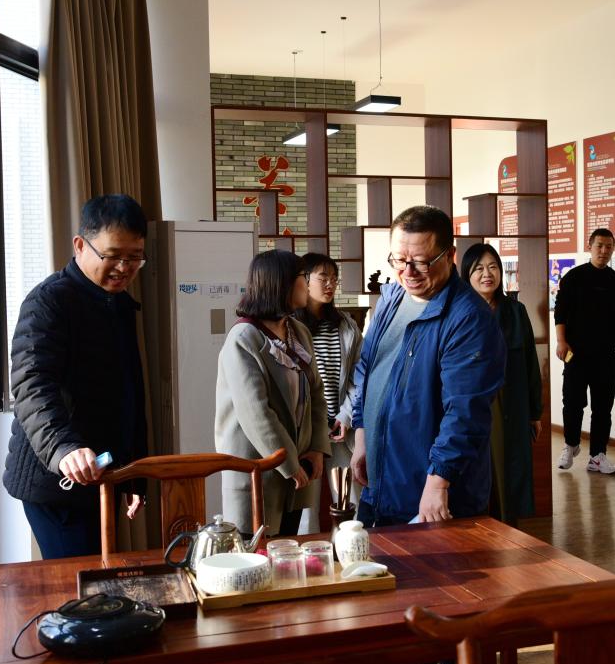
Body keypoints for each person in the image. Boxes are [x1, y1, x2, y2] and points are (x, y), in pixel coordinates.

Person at [4, 193, 148, 559]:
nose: (124, 268)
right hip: (58, 479)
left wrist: (134, 475)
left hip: (102, 473)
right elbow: (32, 384)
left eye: (134, 257)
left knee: (100, 575)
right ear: (80, 245)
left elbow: (129, 393)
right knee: (79, 580)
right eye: (113, 255)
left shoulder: (116, 302)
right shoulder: (48, 302)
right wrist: (63, 449)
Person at [350, 205, 505, 526]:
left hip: (430, 493)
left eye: (421, 262)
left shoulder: (468, 318)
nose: (408, 272)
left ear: (450, 255)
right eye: (399, 260)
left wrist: (439, 481)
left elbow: (465, 411)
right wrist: (362, 438)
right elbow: (367, 369)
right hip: (381, 483)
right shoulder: (392, 298)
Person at [215, 249, 330, 535]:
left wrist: (317, 448)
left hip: (298, 467)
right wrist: (288, 463)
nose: (307, 284)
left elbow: (316, 393)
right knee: (255, 550)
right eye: (303, 276)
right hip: (259, 471)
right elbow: (256, 413)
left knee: (287, 549)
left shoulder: (298, 331)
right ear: (282, 283)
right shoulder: (243, 338)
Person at [460, 243, 543, 525]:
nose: (487, 274)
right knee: (479, 470)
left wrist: (534, 412)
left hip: (513, 403)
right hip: (475, 404)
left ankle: (508, 528)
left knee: (511, 470)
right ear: (467, 274)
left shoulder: (516, 311)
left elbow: (530, 362)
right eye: (479, 268)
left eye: (493, 267)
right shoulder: (459, 312)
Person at [554, 227, 615, 475]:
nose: (604, 251)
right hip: (575, 353)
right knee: (572, 402)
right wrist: (561, 341)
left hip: (605, 355)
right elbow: (560, 312)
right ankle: (571, 445)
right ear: (589, 246)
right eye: (599, 245)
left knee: (602, 407)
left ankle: (597, 455)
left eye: (609, 246)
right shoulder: (574, 277)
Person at [294, 253, 363, 531]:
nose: (330, 284)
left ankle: (353, 551)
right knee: (305, 510)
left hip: (339, 428)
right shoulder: (290, 326)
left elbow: (359, 375)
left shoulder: (345, 324)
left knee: (350, 500)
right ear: (304, 280)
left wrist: (346, 415)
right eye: (323, 277)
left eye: (334, 278)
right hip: (308, 432)